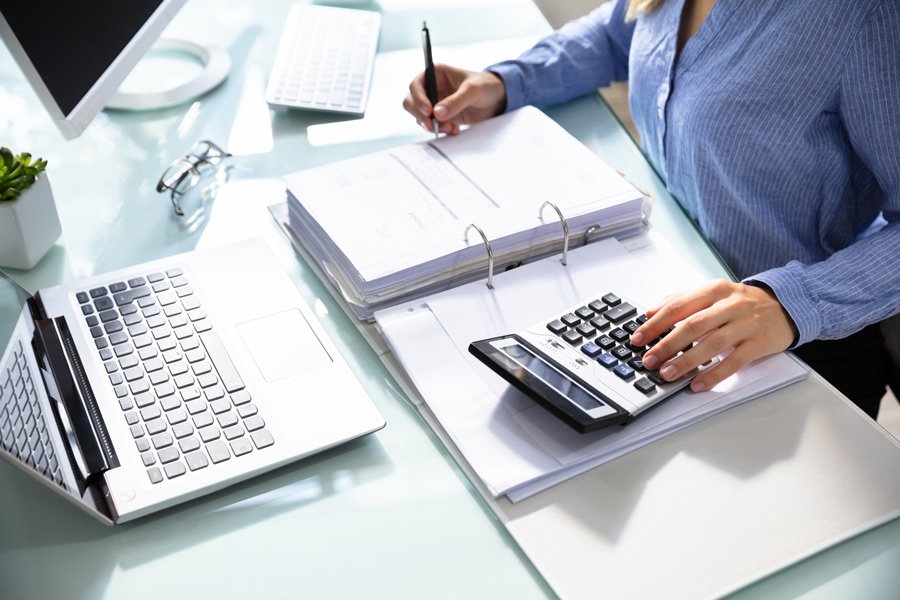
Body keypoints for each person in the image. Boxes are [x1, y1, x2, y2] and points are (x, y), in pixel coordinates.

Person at [403, 0, 900, 418]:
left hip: (798, 341)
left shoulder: (864, 16)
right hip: (663, 284)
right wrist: (506, 82)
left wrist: (792, 302)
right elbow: (619, 34)